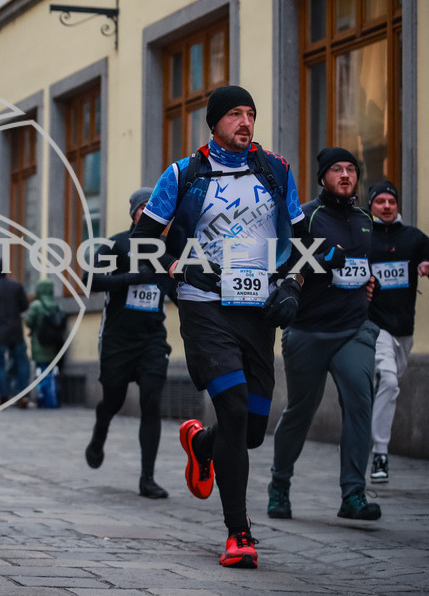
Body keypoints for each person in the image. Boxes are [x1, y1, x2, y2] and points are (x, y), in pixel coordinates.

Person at [131, 85, 309, 569]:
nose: (245, 121)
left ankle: (201, 442)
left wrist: (292, 284)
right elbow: (143, 241)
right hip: (203, 305)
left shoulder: (275, 170)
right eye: (234, 114)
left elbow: (300, 242)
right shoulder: (183, 174)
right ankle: (239, 534)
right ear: (214, 123)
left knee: (249, 430)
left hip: (258, 308)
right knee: (230, 407)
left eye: (251, 113)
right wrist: (176, 267)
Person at [267, 148, 381, 523]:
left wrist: (370, 283)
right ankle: (279, 485)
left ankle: (353, 494)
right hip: (308, 330)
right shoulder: (308, 215)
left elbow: (365, 265)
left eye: (351, 169)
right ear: (322, 177)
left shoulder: (366, 220)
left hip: (354, 328)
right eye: (337, 170)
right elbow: (286, 259)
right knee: (300, 411)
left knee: (360, 404)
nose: (346, 175)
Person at [85, 187, 173, 499]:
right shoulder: (118, 243)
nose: (150, 213)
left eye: (156, 208)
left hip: (152, 340)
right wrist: (130, 279)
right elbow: (90, 278)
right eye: (144, 208)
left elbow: (178, 288)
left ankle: (147, 478)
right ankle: (100, 431)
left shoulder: (167, 248)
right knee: (114, 399)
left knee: (151, 403)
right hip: (117, 340)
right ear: (134, 212)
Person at [365, 181, 429, 483]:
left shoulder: (414, 238)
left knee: (390, 381)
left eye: (392, 201)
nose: (387, 206)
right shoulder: (364, 239)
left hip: (404, 329)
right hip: (376, 326)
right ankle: (380, 452)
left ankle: (367, 413)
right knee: (389, 381)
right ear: (371, 205)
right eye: (380, 201)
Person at [0, 257, 31, 408]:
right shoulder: (16, 286)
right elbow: (24, 306)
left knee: (0, 365)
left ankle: (4, 396)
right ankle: (23, 395)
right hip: (16, 330)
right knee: (22, 362)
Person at [24, 279, 63, 409]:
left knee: (41, 371)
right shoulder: (56, 305)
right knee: (52, 372)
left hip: (39, 344)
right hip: (53, 346)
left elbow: (29, 322)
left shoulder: (36, 305)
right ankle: (53, 400)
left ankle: (44, 400)